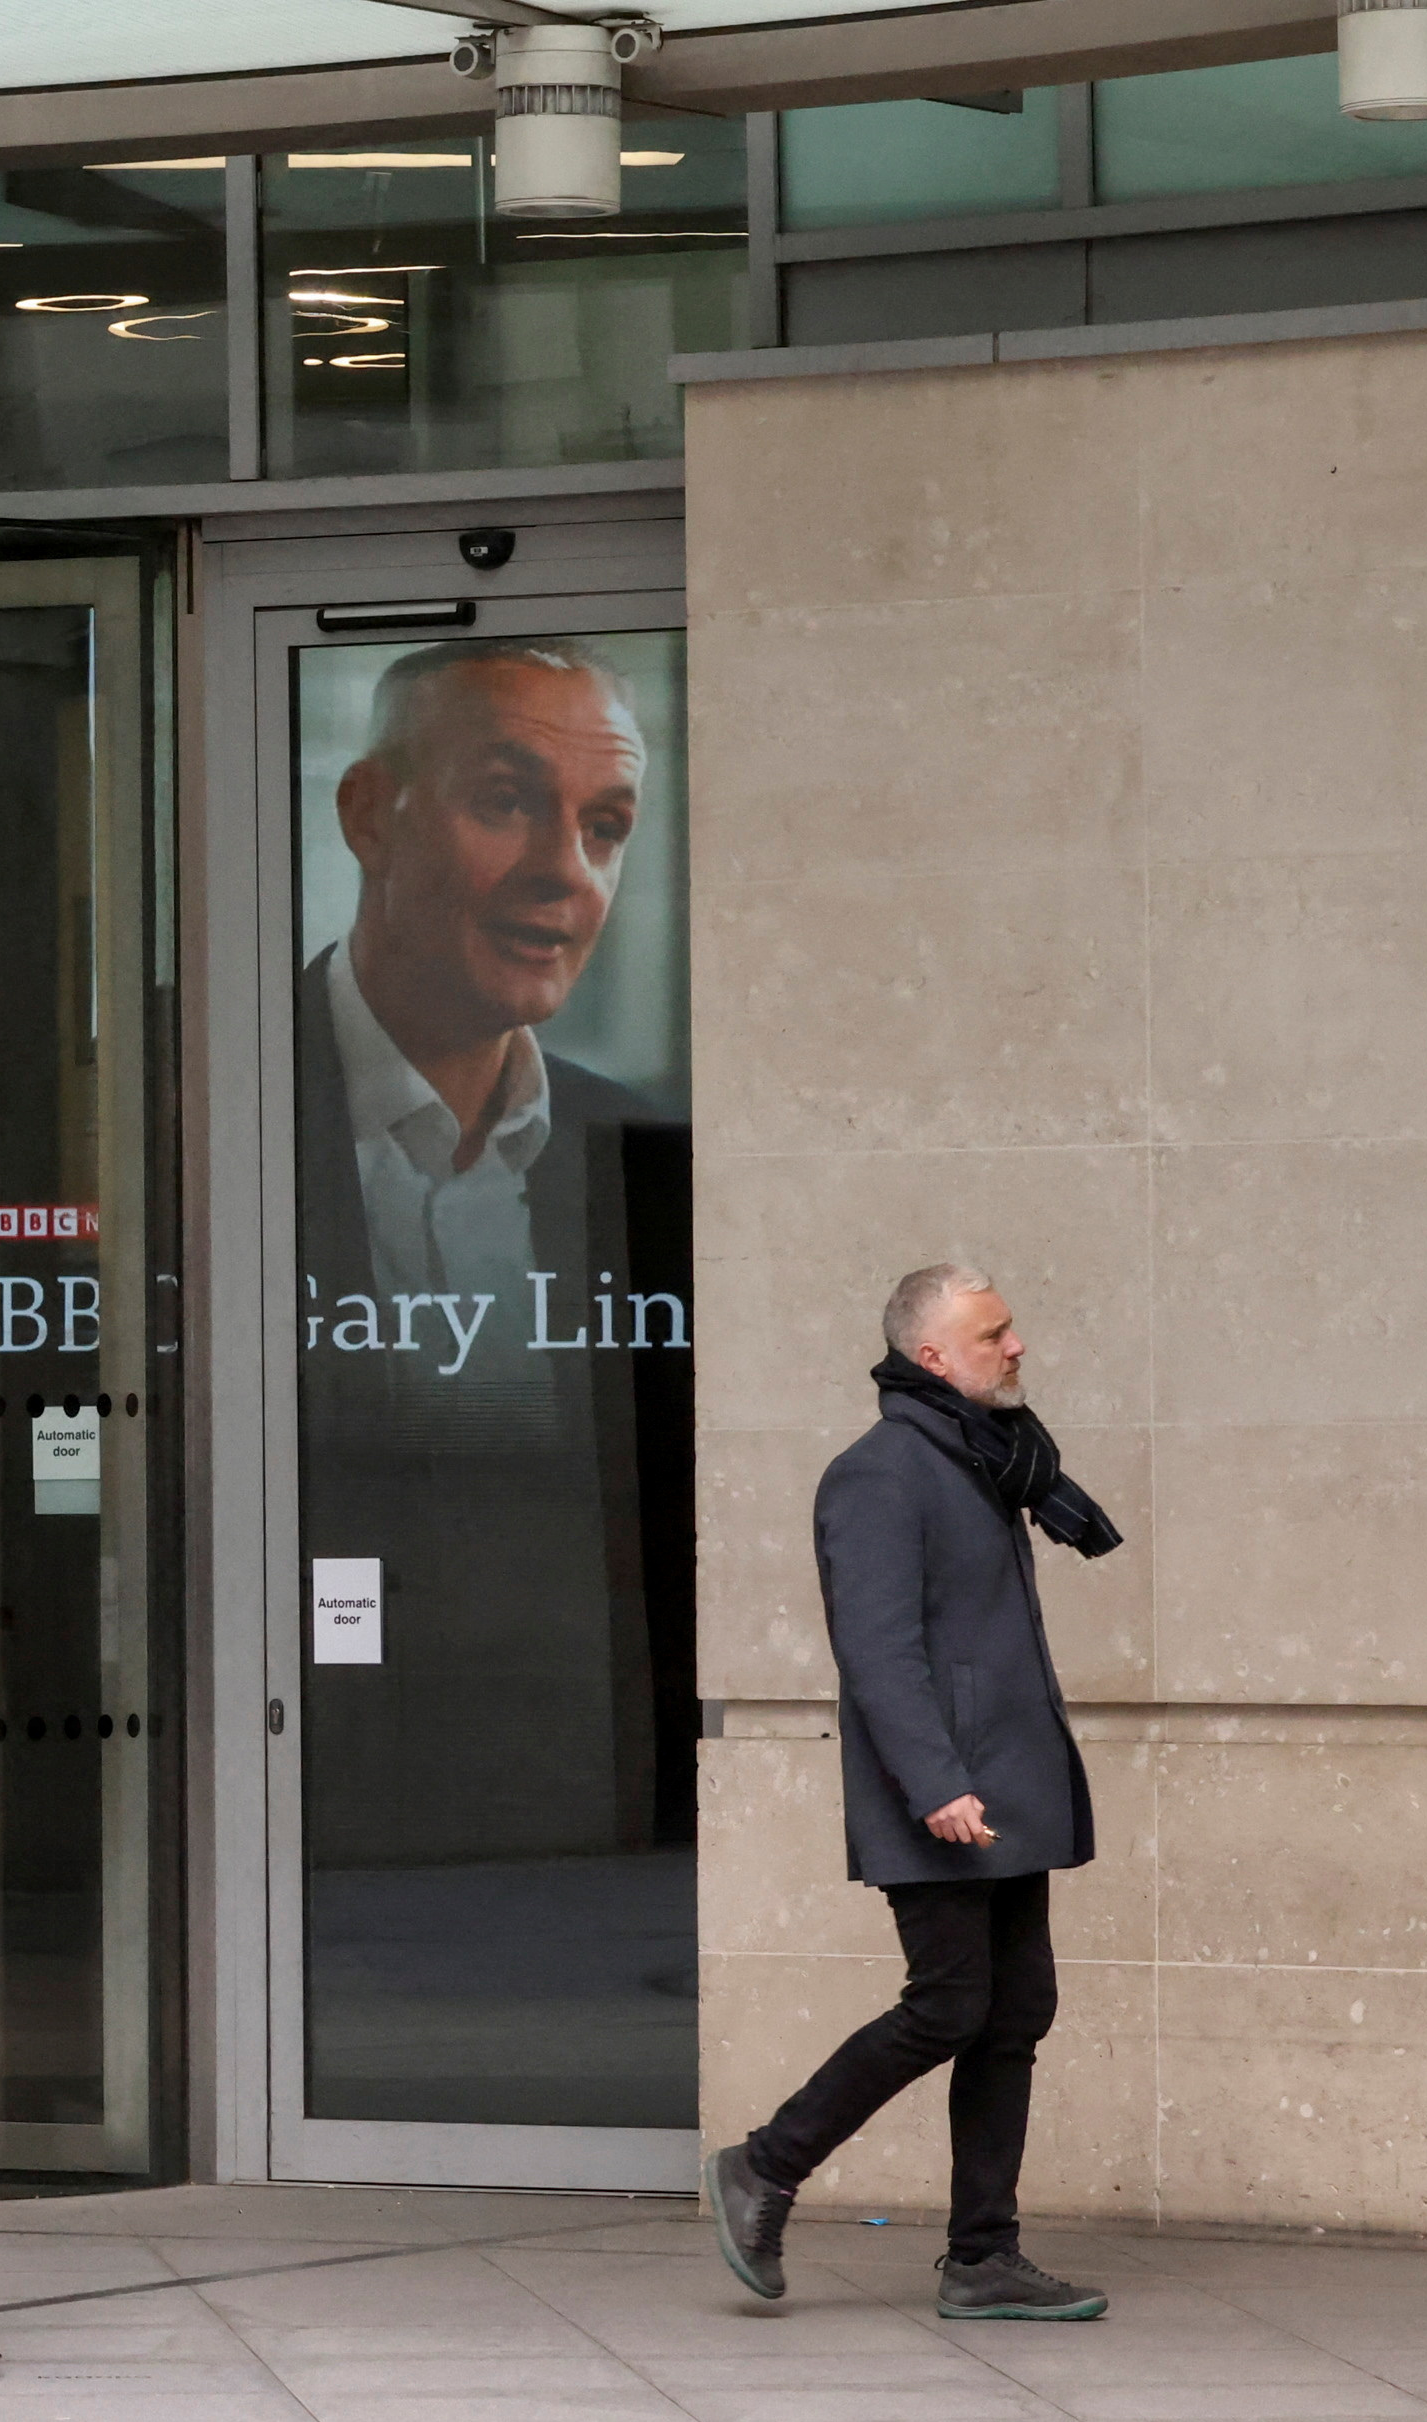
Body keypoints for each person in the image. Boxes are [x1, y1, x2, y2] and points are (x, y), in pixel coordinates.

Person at [707, 1266, 1125, 2323]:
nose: (1016, 1344)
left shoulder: (988, 1461)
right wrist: (935, 1781)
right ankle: (764, 2163)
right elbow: (877, 1650)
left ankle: (984, 2254)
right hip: (944, 1791)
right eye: (992, 1332)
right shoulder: (881, 1472)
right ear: (932, 1355)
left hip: (1005, 1787)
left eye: (1010, 1326)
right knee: (949, 2001)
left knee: (1013, 2008)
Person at [289, 637, 665, 1313]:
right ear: (370, 816)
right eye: (507, 801)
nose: (567, 870)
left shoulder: (637, 1149)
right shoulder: (210, 1110)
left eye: (605, 826)